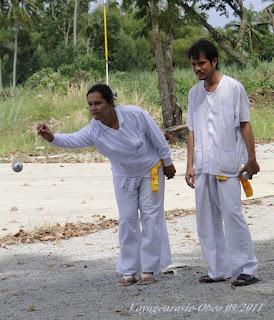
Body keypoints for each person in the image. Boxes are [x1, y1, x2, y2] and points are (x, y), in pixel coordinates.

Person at [37, 83, 176, 286]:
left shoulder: (135, 114)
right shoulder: (94, 130)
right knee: (127, 219)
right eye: (90, 104)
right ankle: (129, 270)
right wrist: (52, 137)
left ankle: (149, 269)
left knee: (151, 216)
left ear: (111, 103)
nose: (93, 108)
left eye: (98, 103)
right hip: (123, 176)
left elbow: (157, 137)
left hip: (151, 170)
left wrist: (168, 162)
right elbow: (72, 140)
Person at [185, 39, 260, 286]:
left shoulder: (233, 88)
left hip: (229, 165)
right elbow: (192, 131)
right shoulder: (194, 94)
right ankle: (218, 269)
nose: (197, 68)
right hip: (203, 166)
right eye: (194, 64)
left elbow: (245, 124)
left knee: (232, 215)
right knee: (206, 219)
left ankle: (246, 268)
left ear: (214, 61)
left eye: (202, 63)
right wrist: (189, 166)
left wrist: (251, 158)